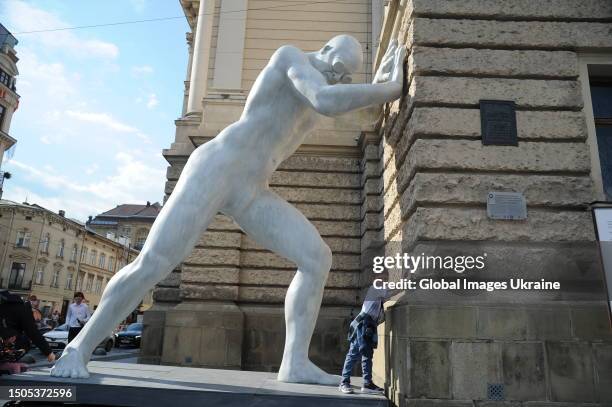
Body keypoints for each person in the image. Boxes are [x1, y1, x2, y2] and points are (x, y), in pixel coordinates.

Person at [51, 35, 405, 381]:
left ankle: (294, 364)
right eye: (338, 68)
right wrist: (389, 87)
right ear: (325, 49)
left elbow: (353, 114)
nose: (339, 79)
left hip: (252, 189)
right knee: (154, 263)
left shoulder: (327, 85)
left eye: (346, 77)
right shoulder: (290, 57)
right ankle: (77, 348)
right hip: (217, 167)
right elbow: (326, 99)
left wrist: (379, 83)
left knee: (317, 258)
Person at [339, 286, 387, 394]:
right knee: (362, 354)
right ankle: (362, 383)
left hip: (364, 324)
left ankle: (357, 382)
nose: (384, 279)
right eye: (382, 276)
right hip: (364, 324)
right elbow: (390, 292)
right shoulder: (376, 287)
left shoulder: (377, 289)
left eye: (386, 277)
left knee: (356, 353)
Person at [0, 290, 55, 369]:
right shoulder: (21, 308)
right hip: (9, 343)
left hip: (6, 341)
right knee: (24, 341)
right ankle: (9, 363)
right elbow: (32, 331)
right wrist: (48, 352)